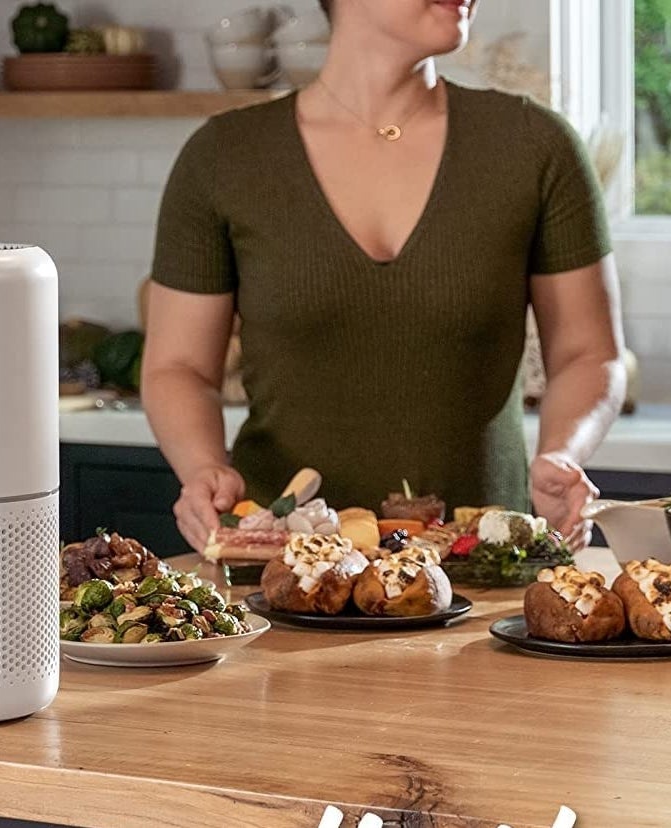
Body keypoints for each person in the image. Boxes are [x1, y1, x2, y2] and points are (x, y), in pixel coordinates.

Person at [142, 0, 626, 554]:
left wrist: (562, 453)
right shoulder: (223, 157)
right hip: (282, 572)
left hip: (483, 571)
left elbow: (590, 354)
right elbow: (178, 367)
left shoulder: (535, 145)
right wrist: (203, 467)